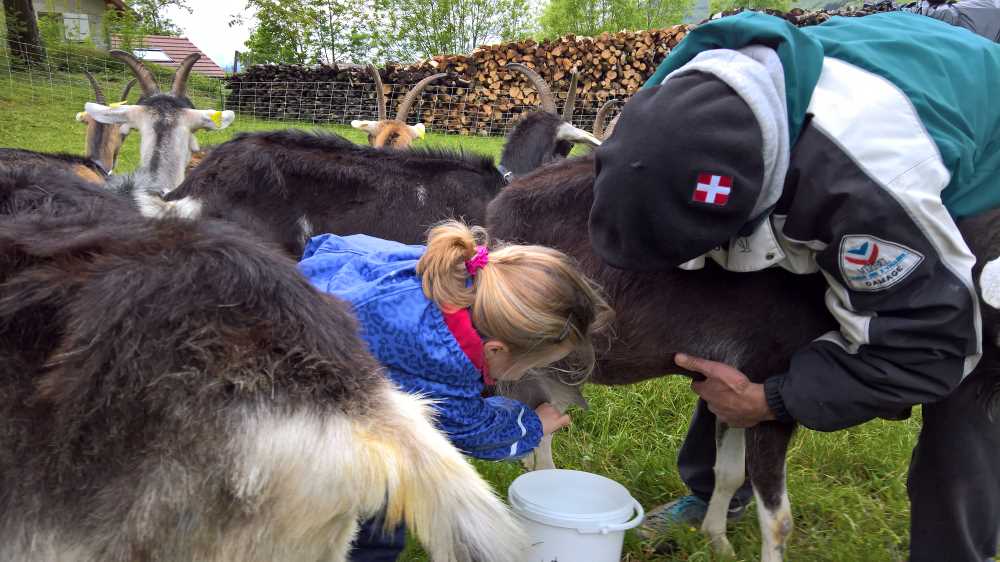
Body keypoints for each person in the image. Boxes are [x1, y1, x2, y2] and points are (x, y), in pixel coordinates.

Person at [589, 10, 1000, 561]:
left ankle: (952, 549)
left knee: (971, 378)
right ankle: (713, 489)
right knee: (746, 310)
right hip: (905, 85)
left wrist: (771, 399)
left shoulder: (866, 187)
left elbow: (931, 345)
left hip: (980, 177)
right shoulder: (679, 90)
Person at [298, 220, 612, 562]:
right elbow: (476, 431)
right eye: (529, 366)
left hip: (293, 319)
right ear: (495, 350)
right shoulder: (442, 360)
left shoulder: (446, 272)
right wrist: (534, 424)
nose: (527, 373)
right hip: (303, 410)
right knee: (384, 513)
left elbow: (332, 245)